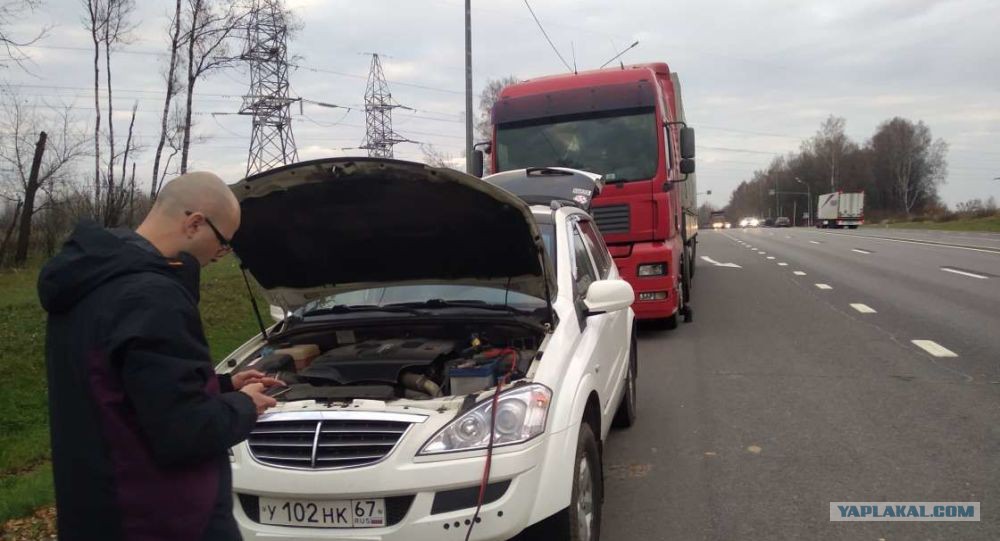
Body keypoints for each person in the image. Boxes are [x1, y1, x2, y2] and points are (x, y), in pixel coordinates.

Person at [38, 171, 282, 540]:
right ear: (195, 223)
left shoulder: (89, 282)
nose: (222, 254)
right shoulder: (152, 296)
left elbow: (124, 387)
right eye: (223, 242)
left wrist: (223, 384)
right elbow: (187, 432)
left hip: (97, 507)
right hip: (162, 518)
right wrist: (244, 405)